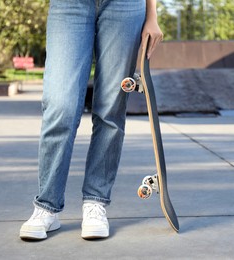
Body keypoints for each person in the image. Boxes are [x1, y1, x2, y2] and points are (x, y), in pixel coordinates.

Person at [20, 0, 163, 240]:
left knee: (110, 109)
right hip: (70, 6)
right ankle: (47, 205)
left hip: (125, 6)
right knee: (60, 105)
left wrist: (152, 15)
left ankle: (95, 203)